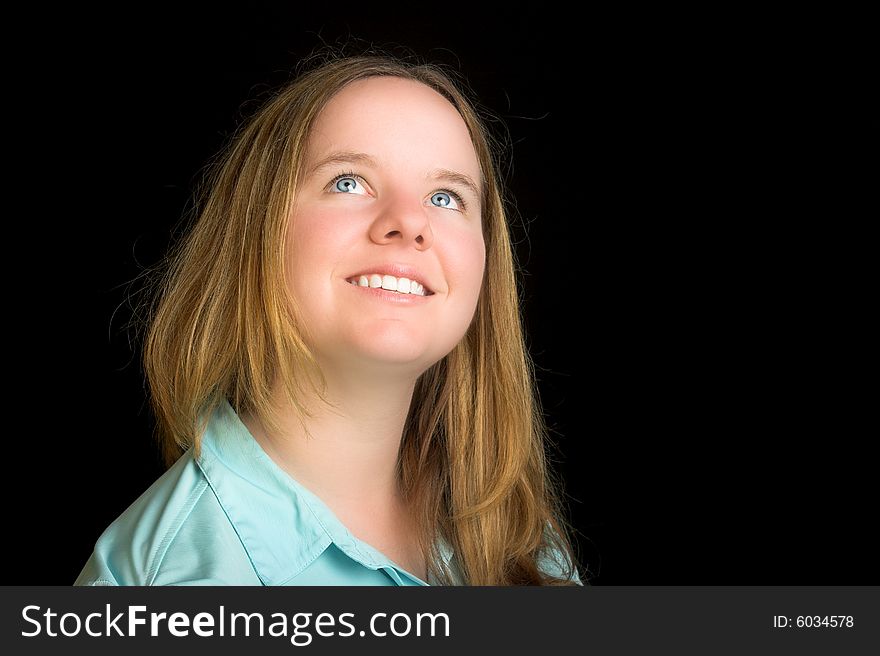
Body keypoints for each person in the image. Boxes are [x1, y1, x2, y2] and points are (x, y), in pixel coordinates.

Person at [74, 51, 583, 586]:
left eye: (445, 196)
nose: (409, 223)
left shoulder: (519, 533)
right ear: (256, 234)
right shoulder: (169, 584)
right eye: (349, 182)